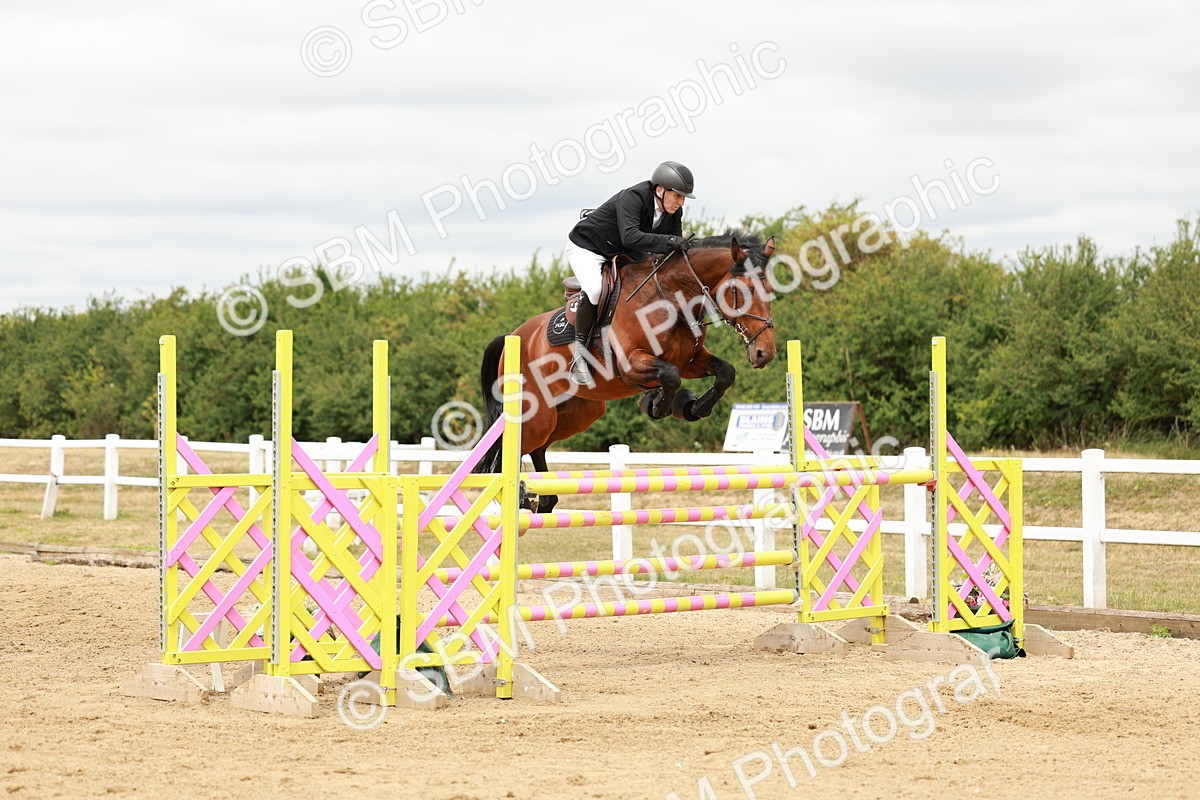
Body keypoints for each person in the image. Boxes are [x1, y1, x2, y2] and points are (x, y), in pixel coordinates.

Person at [564, 160, 695, 384]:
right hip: (589, 247)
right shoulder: (633, 197)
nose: (681, 202)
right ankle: (580, 355)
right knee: (595, 289)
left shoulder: (674, 211)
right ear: (660, 190)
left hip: (624, 251)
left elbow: (670, 249)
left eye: (684, 197)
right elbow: (631, 236)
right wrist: (672, 240)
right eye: (678, 196)